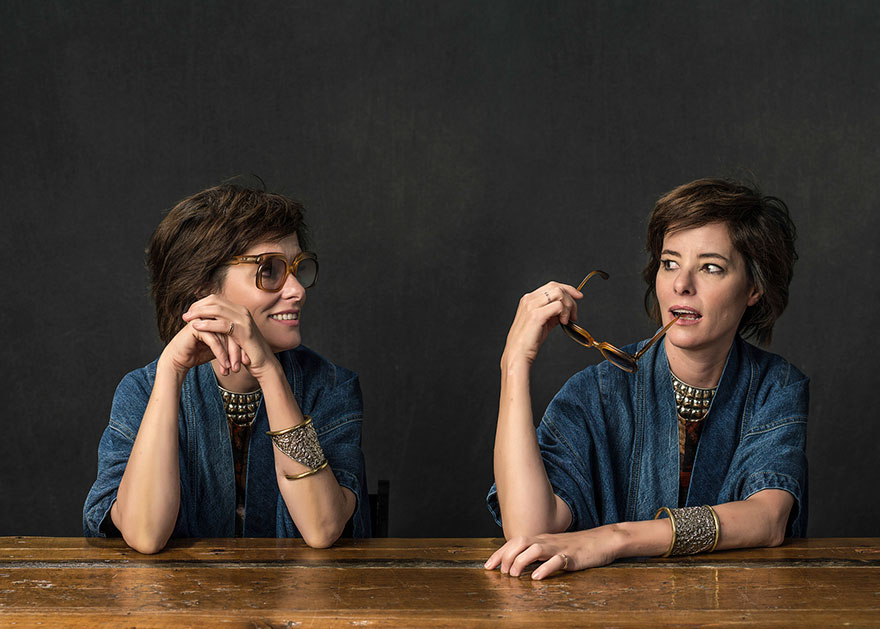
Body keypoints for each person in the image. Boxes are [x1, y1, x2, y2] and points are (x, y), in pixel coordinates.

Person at [485, 178, 807, 580]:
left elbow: (768, 519)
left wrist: (614, 538)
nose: (681, 285)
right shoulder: (595, 393)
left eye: (710, 267)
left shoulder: (776, 387)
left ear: (754, 288)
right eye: (670, 263)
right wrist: (514, 363)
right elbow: (528, 536)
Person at [83, 183, 369, 553]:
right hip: (180, 592)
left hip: (297, 592)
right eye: (270, 270)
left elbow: (322, 527)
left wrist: (269, 372)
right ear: (204, 285)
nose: (298, 290)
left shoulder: (330, 387)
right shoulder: (141, 391)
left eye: (298, 268)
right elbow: (145, 534)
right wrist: (170, 370)